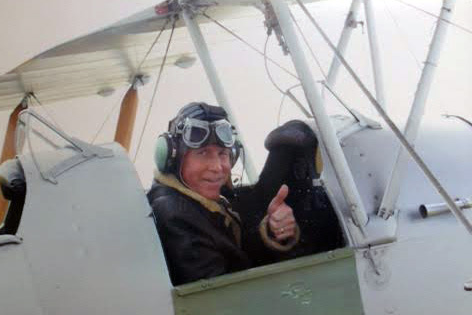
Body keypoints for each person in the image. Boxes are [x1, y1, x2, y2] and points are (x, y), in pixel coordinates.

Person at [147, 102, 301, 285]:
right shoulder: (174, 215)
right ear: (173, 159)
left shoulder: (197, 202)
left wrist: (272, 231)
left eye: (222, 153)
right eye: (203, 153)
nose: (217, 167)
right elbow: (225, 294)